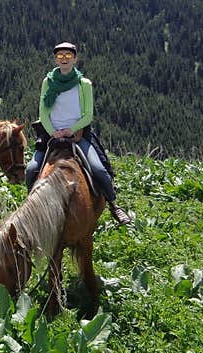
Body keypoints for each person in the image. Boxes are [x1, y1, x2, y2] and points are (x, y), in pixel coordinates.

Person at [24, 42, 131, 225]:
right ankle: (32, 207)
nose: (64, 59)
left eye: (68, 56)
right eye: (60, 56)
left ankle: (114, 204)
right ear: (55, 59)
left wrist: (70, 130)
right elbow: (43, 112)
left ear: (75, 59)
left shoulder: (84, 84)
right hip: (52, 135)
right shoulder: (47, 82)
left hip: (77, 134)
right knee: (31, 170)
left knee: (98, 169)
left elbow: (88, 114)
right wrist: (53, 132)